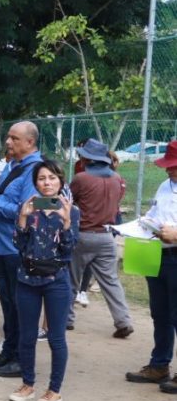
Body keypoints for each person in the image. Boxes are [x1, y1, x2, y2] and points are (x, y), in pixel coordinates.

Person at [0, 122, 44, 377]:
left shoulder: (36, 170)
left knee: (21, 306)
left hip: (17, 248)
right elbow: (2, 200)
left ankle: (22, 359)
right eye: (8, 137)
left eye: (15, 138)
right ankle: (8, 351)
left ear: (30, 142)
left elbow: (30, 211)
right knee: (7, 303)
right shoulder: (13, 166)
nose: (8, 142)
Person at [7, 160, 78, 401]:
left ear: (60, 181)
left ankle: (54, 390)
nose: (47, 183)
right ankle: (28, 383)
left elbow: (69, 252)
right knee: (26, 336)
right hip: (27, 280)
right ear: (35, 183)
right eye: (41, 178)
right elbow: (18, 245)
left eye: (52, 178)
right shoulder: (28, 207)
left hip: (56, 281)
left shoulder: (71, 210)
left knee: (55, 338)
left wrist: (67, 223)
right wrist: (24, 219)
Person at [66, 138, 133, 338]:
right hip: (107, 237)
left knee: (71, 279)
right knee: (111, 281)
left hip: (83, 235)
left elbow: (69, 200)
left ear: (87, 158)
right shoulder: (118, 179)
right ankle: (124, 321)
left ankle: (66, 319)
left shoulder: (81, 178)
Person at [128, 141, 177, 395]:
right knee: (160, 314)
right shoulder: (164, 186)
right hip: (157, 254)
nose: (168, 170)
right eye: (167, 166)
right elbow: (156, 212)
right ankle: (159, 365)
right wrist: (147, 222)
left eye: (173, 166)